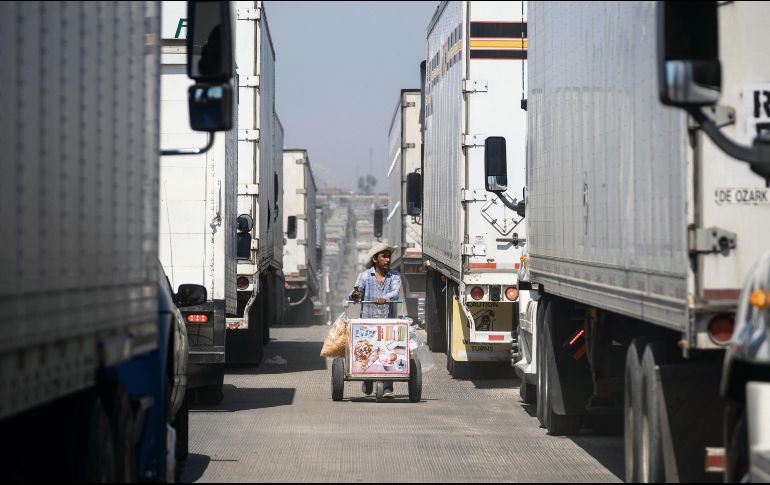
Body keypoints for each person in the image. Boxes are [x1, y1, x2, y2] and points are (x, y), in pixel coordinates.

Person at [350, 242, 401, 398]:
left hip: (388, 323)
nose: (387, 259)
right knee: (368, 353)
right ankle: (368, 379)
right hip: (368, 323)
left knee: (388, 352)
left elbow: (395, 293)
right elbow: (356, 293)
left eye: (389, 256)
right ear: (375, 259)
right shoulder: (365, 276)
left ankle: (387, 388)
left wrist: (384, 298)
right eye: (383, 256)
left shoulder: (394, 276)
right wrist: (355, 295)